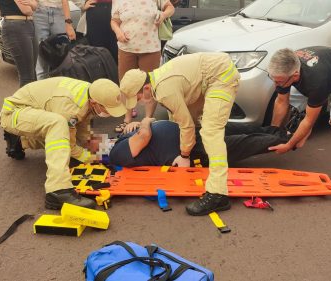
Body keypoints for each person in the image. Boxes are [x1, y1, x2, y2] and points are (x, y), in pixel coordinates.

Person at [119, 52, 240, 216]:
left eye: (138, 97)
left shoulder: (164, 90)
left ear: (146, 88)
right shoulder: (157, 81)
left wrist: (184, 155)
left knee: (211, 130)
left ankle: (218, 194)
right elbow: (180, 115)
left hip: (220, 76)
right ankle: (208, 156)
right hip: (206, 77)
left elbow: (186, 124)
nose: (139, 101)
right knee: (199, 123)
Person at [0, 77, 127, 210]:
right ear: (94, 102)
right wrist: (91, 157)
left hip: (34, 110)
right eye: (107, 109)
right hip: (14, 113)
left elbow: (82, 129)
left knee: (62, 133)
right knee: (58, 126)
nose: (110, 114)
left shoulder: (92, 92)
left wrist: (100, 147)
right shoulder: (69, 107)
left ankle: (20, 141)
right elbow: (70, 146)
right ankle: (58, 191)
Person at [267, 47, 331, 207]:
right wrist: (272, 133)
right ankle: (317, 103)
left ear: (295, 75)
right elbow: (281, 101)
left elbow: (308, 120)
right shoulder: (286, 66)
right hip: (325, 73)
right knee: (291, 102)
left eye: (278, 81)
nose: (276, 83)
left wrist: (289, 145)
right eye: (273, 79)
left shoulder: (315, 80)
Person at [109, 118, 290, 167]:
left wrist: (134, 125)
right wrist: (145, 121)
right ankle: (288, 140)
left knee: (236, 129)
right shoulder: (115, 154)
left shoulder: (121, 140)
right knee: (243, 143)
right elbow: (144, 136)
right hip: (191, 151)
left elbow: (139, 133)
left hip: (189, 135)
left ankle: (281, 131)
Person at [110, 0, 175, 133]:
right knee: (126, 85)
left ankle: (147, 119)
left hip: (150, 48)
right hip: (126, 47)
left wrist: (163, 15)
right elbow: (114, 21)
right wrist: (118, 32)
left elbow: (170, 8)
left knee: (150, 86)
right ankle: (127, 119)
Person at [0, 0, 38, 87]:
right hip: (17, 27)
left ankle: (29, 99)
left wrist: (31, 4)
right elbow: (27, 10)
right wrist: (31, 4)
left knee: (32, 75)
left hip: (27, 25)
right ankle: (24, 100)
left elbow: (36, 5)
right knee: (27, 77)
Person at [34, 0, 77, 79]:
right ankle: (42, 90)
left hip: (59, 12)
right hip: (39, 12)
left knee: (63, 60)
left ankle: (61, 89)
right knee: (41, 63)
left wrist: (68, 23)